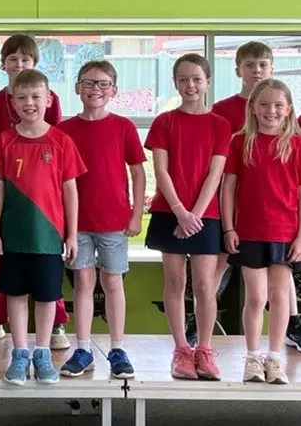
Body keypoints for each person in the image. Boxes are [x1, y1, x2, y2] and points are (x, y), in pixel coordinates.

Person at [0, 69, 85, 385]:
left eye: (36, 97)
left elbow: (70, 189)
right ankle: (20, 353)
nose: (30, 103)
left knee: (45, 297)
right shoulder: (3, 142)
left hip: (49, 238)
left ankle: (42, 353)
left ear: (49, 99)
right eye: (22, 98)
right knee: (14, 295)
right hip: (13, 238)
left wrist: (71, 234)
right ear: (12, 102)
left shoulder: (61, 141)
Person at [144, 53, 229, 380]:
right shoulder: (165, 122)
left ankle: (204, 349)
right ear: (175, 83)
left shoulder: (220, 124)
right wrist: (180, 211)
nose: (190, 85)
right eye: (183, 79)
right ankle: (181, 350)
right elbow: (161, 170)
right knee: (175, 282)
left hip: (205, 214)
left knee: (206, 286)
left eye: (196, 78)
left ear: (207, 81)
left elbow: (215, 174)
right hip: (170, 212)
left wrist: (195, 214)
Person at [0, 33, 70, 349]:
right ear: (4, 63)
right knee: (1, 260)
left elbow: (55, 142)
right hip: (6, 190)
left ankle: (56, 325)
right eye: (13, 59)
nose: (19, 64)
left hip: (44, 199)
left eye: (26, 59)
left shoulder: (52, 99)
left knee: (48, 268)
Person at [58, 61, 145, 379]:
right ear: (77, 88)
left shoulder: (123, 127)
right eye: (89, 83)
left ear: (114, 90)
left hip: (114, 221)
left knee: (112, 281)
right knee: (82, 282)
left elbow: (137, 172)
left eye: (103, 83)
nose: (96, 89)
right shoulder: (64, 130)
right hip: (77, 223)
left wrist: (136, 214)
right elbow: (58, 180)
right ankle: (82, 349)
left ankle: (117, 348)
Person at [222, 78, 301, 385]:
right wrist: (229, 227)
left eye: (278, 105)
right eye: (264, 104)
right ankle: (253, 357)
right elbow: (228, 188)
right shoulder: (240, 142)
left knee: (280, 295)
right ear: (252, 108)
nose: (271, 111)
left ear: (289, 110)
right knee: (256, 296)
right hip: (250, 231)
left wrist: (299, 237)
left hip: (285, 232)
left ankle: (275, 358)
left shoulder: (295, 144)